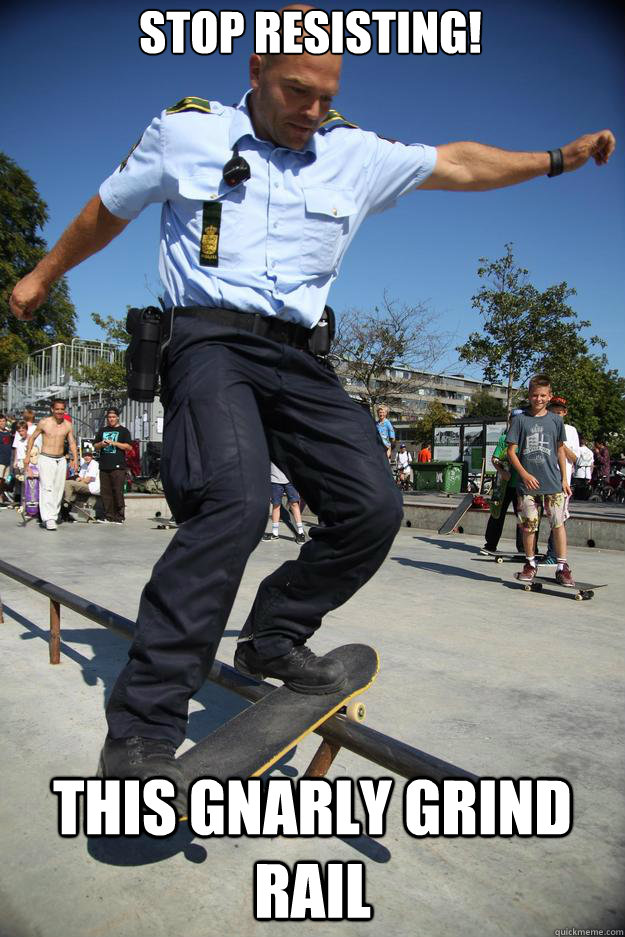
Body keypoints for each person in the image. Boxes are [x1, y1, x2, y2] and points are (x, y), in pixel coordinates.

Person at [9, 5, 614, 794]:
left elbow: (458, 163)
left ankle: (274, 633)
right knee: (232, 501)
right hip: (209, 343)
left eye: (327, 94)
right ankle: (143, 730)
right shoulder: (186, 132)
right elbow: (105, 211)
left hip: (300, 357)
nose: (313, 111)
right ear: (255, 71)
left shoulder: (351, 151)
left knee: (373, 507)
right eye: (298, 91)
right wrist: (43, 275)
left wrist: (552, 160)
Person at [507, 374, 574, 586]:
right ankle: (530, 563)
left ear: (550, 396)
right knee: (529, 526)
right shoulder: (520, 420)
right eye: (535, 395)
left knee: (558, 523)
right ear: (529, 395)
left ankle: (562, 567)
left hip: (553, 482)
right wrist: (524, 475)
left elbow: (560, 450)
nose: (539, 399)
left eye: (543, 395)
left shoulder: (556, 420)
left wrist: (564, 478)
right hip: (527, 485)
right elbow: (511, 452)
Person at [23, 399, 78, 531]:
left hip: (61, 459)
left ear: (64, 410)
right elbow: (32, 438)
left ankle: (53, 514)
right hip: (46, 458)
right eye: (57, 409)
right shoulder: (44, 422)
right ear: (52, 410)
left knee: (58, 489)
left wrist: (75, 458)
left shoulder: (68, 425)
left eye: (62, 409)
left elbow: (71, 442)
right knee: (47, 488)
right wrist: (27, 456)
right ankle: (48, 518)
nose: (59, 411)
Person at [482, 409, 525, 555]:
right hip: (504, 485)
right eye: (514, 420)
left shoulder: (526, 438)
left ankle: (524, 548)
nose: (516, 423)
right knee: (497, 513)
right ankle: (490, 544)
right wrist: (502, 471)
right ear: (510, 421)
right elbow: (494, 459)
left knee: (523, 516)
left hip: (521, 485)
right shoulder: (504, 439)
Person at [543, 396, 580, 564]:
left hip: (561, 480)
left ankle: (554, 554)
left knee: (559, 517)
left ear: (565, 413)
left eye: (560, 412)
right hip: (544, 476)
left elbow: (574, 458)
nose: (556, 415)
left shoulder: (570, 430)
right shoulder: (544, 427)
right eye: (553, 412)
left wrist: (561, 443)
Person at [93, 408, 132, 524]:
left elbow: (128, 447)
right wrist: (101, 444)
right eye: (109, 417)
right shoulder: (102, 430)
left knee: (117, 491)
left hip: (118, 466)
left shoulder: (124, 431)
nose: (111, 419)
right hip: (104, 465)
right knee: (106, 492)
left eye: (113, 417)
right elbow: (95, 446)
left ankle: (119, 517)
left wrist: (114, 443)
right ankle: (108, 516)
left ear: (118, 417)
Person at [263, 462, 306, 543]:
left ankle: (301, 533)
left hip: (290, 480)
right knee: (276, 506)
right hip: (274, 480)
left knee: (294, 504)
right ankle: (275, 534)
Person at [63, 450, 101, 516]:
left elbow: (88, 480)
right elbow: (80, 477)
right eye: (85, 456)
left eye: (88, 455)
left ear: (92, 456)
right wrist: (79, 480)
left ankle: (66, 503)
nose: (86, 457)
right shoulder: (84, 464)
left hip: (92, 487)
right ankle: (66, 505)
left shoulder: (94, 464)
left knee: (68, 483)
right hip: (86, 485)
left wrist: (78, 481)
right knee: (67, 483)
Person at [0, 414, 13, 507]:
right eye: (0, 421)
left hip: (7, 460)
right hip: (0, 461)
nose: (2, 423)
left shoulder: (8, 433)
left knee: (5, 480)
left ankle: (1, 496)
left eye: (3, 421)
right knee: (0, 480)